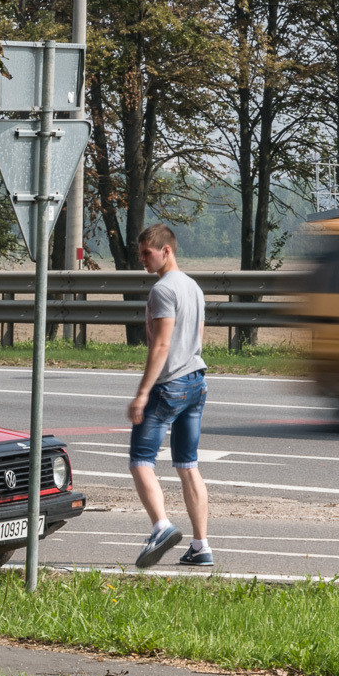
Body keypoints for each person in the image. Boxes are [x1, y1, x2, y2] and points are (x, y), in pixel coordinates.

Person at [128, 223, 213, 568]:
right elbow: (199, 337)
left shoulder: (163, 290)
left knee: (140, 460)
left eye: (147, 253)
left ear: (167, 251)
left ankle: (161, 526)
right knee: (188, 465)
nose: (142, 260)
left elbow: (161, 344)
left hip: (171, 385)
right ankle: (201, 546)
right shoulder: (194, 287)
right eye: (140, 254)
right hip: (197, 381)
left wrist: (143, 392)